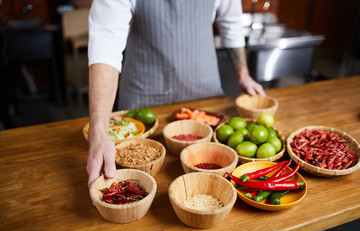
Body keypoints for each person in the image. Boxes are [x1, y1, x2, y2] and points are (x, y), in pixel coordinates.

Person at [86, 0, 266, 187]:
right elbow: (105, 45)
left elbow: (231, 23)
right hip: (144, 95)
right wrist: (98, 133)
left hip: (205, 92)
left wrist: (243, 74)